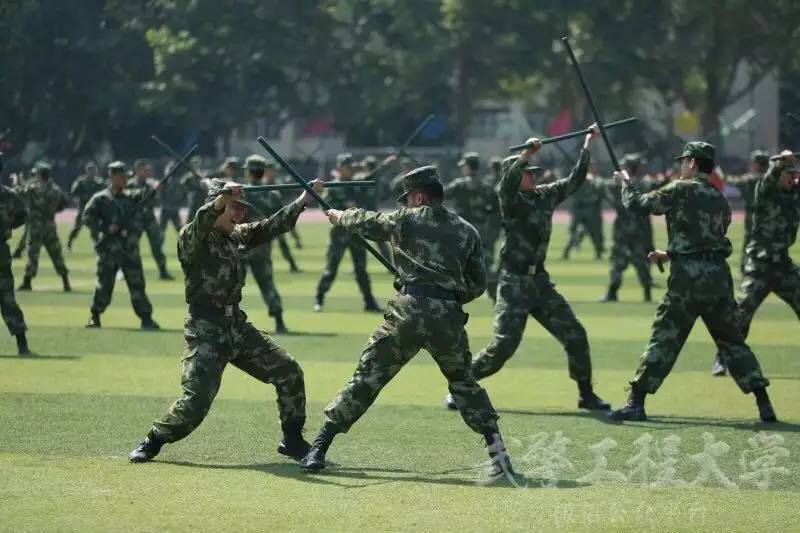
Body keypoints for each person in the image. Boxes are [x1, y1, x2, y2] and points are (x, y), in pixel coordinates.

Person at [300, 165, 513, 478]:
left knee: (368, 376)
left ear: (420, 196)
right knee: (464, 383)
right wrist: (448, 298)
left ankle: (319, 447)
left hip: (407, 312)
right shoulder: (467, 230)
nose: (406, 204)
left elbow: (366, 221)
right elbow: (478, 283)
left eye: (408, 198)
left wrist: (337, 215)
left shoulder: (405, 219)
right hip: (447, 317)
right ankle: (499, 455)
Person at [128, 178, 319, 463]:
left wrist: (303, 199)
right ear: (217, 206)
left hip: (236, 327)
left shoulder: (236, 236)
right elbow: (202, 221)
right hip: (206, 329)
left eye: (242, 209)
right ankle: (154, 438)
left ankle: (292, 440)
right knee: (196, 402)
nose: (241, 214)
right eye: (234, 207)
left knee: (289, 371)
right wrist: (220, 199)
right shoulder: (193, 238)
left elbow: (269, 227)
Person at [608, 142, 775, 423]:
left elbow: (637, 205)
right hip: (718, 279)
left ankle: (635, 402)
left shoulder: (680, 189)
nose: (680, 166)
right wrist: (670, 253)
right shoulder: (719, 198)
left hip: (687, 280)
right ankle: (763, 402)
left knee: (664, 338)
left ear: (693, 163)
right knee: (733, 341)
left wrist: (625, 183)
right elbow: (707, 240)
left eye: (683, 161)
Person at [445, 127, 609, 412]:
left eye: (533, 171)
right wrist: (526, 154)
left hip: (540, 284)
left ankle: (586, 394)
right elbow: (505, 184)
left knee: (576, 335)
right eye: (528, 172)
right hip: (514, 282)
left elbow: (575, 181)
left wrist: (587, 144)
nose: (534, 175)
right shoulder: (512, 202)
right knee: (503, 346)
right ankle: (461, 386)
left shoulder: (545, 196)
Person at [711, 151, 800, 376]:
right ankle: (723, 359)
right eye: (790, 175)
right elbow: (770, 177)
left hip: (783, 266)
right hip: (760, 267)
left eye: (795, 174)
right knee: (740, 315)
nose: (793, 179)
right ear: (779, 174)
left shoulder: (794, 194)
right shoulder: (766, 190)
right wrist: (782, 161)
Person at [82, 161, 160, 329]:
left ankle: (146, 318)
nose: (125, 180)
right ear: (113, 177)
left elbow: (146, 194)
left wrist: (155, 188)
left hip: (129, 250)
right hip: (109, 250)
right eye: (121, 177)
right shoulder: (101, 199)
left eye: (126, 177)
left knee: (137, 284)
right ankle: (95, 315)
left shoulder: (131, 197)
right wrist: (105, 227)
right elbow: (87, 218)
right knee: (104, 285)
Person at [313, 153, 382, 313]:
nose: (350, 169)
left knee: (361, 270)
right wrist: (344, 205)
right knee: (331, 269)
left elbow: (367, 196)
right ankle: (319, 297)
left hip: (356, 233)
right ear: (340, 168)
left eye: (351, 166)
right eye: (347, 167)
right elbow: (325, 207)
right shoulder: (334, 187)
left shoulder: (357, 183)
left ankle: (369, 301)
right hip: (339, 233)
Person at [445, 152, 501, 300]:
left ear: (468, 167)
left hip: (462, 233)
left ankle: (453, 301)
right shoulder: (487, 187)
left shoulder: (459, 185)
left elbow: (439, 196)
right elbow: (497, 212)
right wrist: (492, 234)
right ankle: (495, 299)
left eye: (464, 166)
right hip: (482, 233)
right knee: (488, 267)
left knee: (456, 267)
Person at [242, 155, 289, 333]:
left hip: (243, 244)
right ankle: (279, 321)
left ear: (248, 172)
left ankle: (227, 320)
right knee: (268, 284)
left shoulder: (242, 192)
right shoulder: (273, 194)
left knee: (231, 285)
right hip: (263, 245)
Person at [600, 154, 654, 302]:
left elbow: (611, 189)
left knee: (621, 262)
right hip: (638, 230)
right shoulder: (642, 183)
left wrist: (620, 181)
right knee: (638, 262)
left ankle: (613, 292)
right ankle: (646, 292)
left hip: (626, 229)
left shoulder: (631, 184)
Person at [15, 161, 71, 292]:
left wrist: (18, 182)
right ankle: (66, 282)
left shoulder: (34, 187)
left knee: (32, 254)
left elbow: (19, 193)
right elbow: (64, 202)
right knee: (56, 254)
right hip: (50, 225)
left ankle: (27, 282)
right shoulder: (56, 189)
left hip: (36, 226)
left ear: (39, 174)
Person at [0, 153, 30, 355]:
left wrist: (8, 226)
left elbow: (23, 215)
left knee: (7, 300)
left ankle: (22, 344)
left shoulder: (8, 195)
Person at [129, 159, 174, 280]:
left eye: (148, 170)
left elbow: (157, 202)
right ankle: (127, 271)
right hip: (135, 220)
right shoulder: (130, 184)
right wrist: (146, 192)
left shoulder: (152, 184)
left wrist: (157, 190)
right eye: (145, 170)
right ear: (138, 171)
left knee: (157, 246)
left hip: (149, 219)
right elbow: (130, 198)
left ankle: (163, 271)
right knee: (131, 246)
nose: (148, 172)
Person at [562, 163, 605, 260]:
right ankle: (567, 251)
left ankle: (599, 252)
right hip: (579, 209)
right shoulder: (580, 179)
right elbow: (572, 191)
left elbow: (600, 192)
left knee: (595, 233)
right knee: (574, 233)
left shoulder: (598, 180)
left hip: (592, 210)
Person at [67, 161, 105, 250]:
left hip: (94, 210)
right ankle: (69, 242)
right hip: (83, 209)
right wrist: (82, 195)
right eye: (90, 170)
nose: (91, 172)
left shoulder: (99, 183)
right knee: (77, 228)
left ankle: (98, 245)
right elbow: (73, 192)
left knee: (95, 230)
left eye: (93, 170)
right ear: (86, 171)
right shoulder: (81, 182)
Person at [158, 161, 184, 236]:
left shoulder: (176, 182)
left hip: (172, 208)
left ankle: (184, 245)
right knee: (162, 230)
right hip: (166, 208)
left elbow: (181, 194)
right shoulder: (165, 182)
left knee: (178, 229)